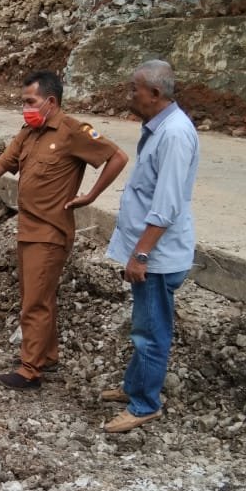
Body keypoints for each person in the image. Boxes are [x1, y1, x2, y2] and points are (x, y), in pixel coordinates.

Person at [0, 71, 129, 390]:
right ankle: (48, 355)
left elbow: (118, 156)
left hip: (51, 232)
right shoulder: (29, 132)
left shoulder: (73, 132)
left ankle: (30, 369)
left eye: (30, 102)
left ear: (51, 101)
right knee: (39, 296)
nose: (25, 108)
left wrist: (92, 195)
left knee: (35, 302)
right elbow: (3, 163)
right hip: (28, 229)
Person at [102, 60, 199, 434]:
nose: (130, 96)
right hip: (149, 252)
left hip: (157, 256)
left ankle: (145, 405)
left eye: (134, 90)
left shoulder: (174, 135)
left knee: (151, 331)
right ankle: (133, 388)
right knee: (144, 323)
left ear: (155, 94)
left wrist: (141, 252)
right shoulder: (161, 129)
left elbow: (167, 203)